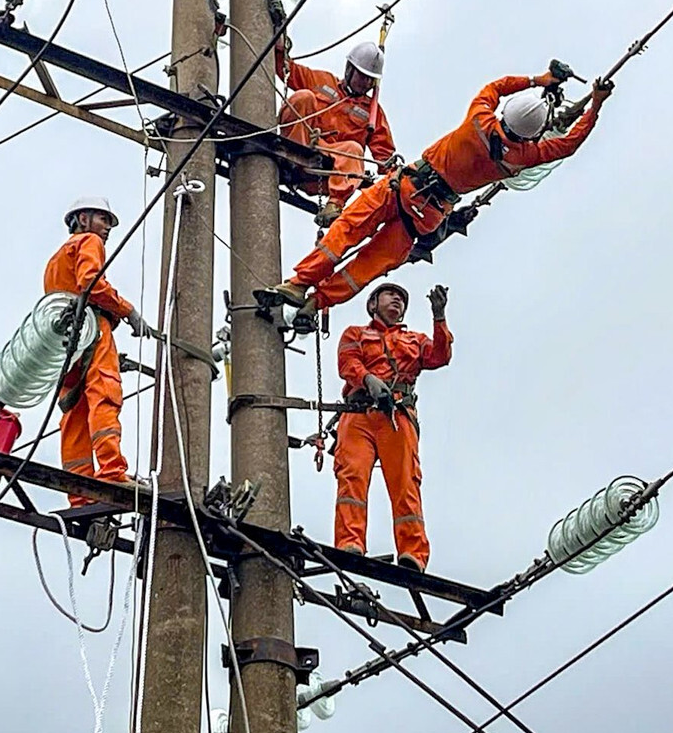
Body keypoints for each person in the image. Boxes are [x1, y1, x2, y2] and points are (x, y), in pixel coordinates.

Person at [259, 62, 613, 316]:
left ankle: (298, 284)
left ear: (506, 115)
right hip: (424, 219)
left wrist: (539, 80)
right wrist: (595, 103)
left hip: (402, 188)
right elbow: (568, 144)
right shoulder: (522, 157)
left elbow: (497, 86)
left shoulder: (480, 119)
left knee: (345, 231)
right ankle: (316, 302)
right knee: (365, 267)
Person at [332, 282, 451, 572]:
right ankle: (350, 543)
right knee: (352, 478)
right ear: (373, 304)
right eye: (390, 294)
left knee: (405, 483)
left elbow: (440, 356)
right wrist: (369, 380)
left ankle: (412, 553)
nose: (397, 299)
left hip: (397, 416)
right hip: (359, 413)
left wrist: (439, 317)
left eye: (402, 298)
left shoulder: (414, 339)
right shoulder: (356, 334)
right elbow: (347, 362)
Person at [47, 195, 149, 506]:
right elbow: (91, 282)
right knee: (104, 391)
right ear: (82, 219)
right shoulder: (88, 241)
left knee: (74, 409)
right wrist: (128, 311)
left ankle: (80, 492)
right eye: (103, 219)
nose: (107, 228)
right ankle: (112, 471)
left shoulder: (55, 260)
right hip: (91, 327)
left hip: (62, 342)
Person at [275, 37, 396, 227]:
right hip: (301, 144)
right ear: (349, 69)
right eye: (362, 76)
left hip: (324, 170)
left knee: (354, 149)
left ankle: (334, 206)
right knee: (303, 97)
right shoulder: (322, 81)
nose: (365, 83)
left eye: (370, 79)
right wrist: (280, 48)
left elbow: (385, 157)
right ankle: (292, 156)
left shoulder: (372, 113)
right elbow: (286, 69)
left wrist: (401, 181)